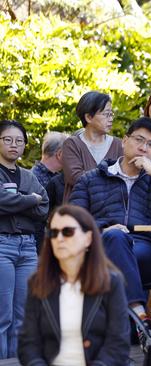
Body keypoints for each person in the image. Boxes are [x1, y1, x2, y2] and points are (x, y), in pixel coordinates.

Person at [69, 117, 151, 348]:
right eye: (139, 140)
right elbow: (74, 220)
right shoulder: (91, 179)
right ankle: (141, 318)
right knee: (115, 238)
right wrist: (103, 228)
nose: (144, 148)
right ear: (124, 140)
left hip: (144, 250)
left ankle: (120, 329)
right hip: (99, 246)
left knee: (119, 245)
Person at [18, 205, 130, 365]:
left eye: (68, 232)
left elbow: (118, 343)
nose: (59, 238)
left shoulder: (111, 282)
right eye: (53, 233)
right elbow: (28, 343)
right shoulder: (38, 282)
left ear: (88, 238)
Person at [0, 120, 48, 359]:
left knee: (23, 314)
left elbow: (44, 207)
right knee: (2, 315)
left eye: (19, 141)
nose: (13, 145)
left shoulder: (29, 176)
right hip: (2, 246)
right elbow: (2, 202)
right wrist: (30, 200)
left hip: (28, 248)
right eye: (7, 139)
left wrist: (17, 201)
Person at [62, 91, 123, 201]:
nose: (111, 119)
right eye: (106, 114)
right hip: (78, 213)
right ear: (89, 117)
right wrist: (109, 178)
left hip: (110, 213)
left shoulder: (119, 144)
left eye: (111, 114)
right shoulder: (72, 144)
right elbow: (75, 178)